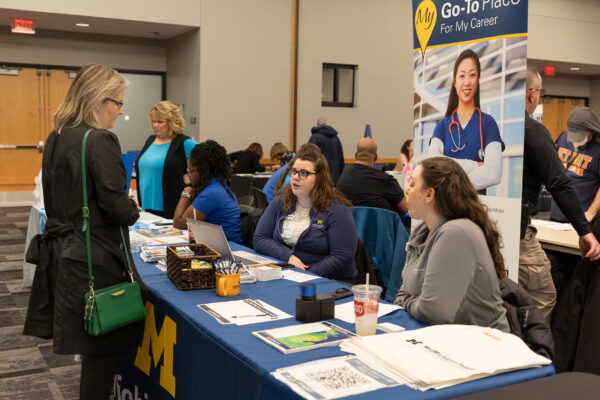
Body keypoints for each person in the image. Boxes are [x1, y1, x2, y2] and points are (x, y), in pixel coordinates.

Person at [23, 65, 141, 399]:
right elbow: (116, 206)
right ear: (97, 100)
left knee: (92, 350)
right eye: (118, 103)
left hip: (65, 253)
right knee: (102, 352)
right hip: (95, 259)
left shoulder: (58, 136)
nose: (120, 110)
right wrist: (133, 209)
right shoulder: (100, 139)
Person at [521, 66, 600, 320]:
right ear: (533, 95)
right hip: (547, 222)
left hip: (575, 218)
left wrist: (587, 216)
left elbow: (559, 183)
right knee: (545, 288)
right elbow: (558, 181)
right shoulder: (554, 136)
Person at [394, 157, 509, 332]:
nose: (407, 190)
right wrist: (413, 300)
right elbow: (402, 293)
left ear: (429, 194)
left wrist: (408, 301)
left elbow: (433, 312)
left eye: (412, 184)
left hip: (482, 348)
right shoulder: (423, 231)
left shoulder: (457, 233)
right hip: (446, 339)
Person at [253, 145, 357, 282]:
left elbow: (341, 257)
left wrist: (304, 275)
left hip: (328, 281)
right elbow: (260, 238)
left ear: (319, 178)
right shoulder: (281, 202)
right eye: (294, 171)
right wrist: (288, 257)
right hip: (288, 274)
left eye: (304, 173)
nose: (296, 177)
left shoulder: (336, 210)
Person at [428, 49, 504, 191]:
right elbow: (432, 165)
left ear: (478, 80)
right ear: (455, 82)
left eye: (472, 75)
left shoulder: (488, 124)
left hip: (476, 208)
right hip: (446, 209)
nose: (467, 82)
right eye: (462, 76)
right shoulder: (443, 126)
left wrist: (451, 182)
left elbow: (494, 174)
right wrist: (476, 165)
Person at [135, 100, 197, 218]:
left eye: (160, 122)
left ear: (171, 122)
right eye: (153, 121)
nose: (155, 125)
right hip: (146, 206)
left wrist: (190, 180)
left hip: (170, 208)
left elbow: (207, 164)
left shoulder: (184, 143)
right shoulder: (150, 140)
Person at [173, 139, 242, 244]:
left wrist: (186, 192)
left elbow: (179, 223)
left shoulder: (212, 193)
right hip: (223, 245)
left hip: (226, 250)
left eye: (190, 171)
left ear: (203, 170)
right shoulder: (219, 186)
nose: (188, 175)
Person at [551, 107, 600, 223]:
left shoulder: (598, 149)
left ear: (591, 130)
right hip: (556, 214)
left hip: (583, 218)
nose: (574, 139)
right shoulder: (564, 137)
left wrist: (590, 213)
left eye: (579, 135)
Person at [336, 138, 408, 215]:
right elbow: (405, 208)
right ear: (375, 157)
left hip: (349, 226)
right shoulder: (385, 179)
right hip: (381, 227)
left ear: (356, 155)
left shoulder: (342, 179)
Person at [308, 117, 345, 184]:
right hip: (335, 177)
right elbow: (341, 159)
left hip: (319, 177)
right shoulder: (336, 138)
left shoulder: (315, 137)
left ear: (318, 125)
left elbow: (309, 157)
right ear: (328, 124)